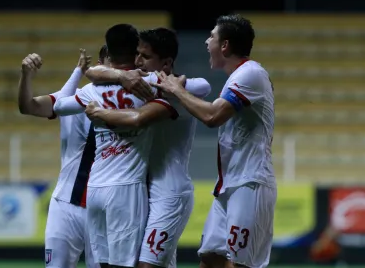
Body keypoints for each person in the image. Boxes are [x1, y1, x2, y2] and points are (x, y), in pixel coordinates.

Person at [153, 14, 277, 268]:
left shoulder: (251, 74)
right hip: (230, 185)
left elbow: (212, 116)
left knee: (241, 264)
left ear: (225, 45)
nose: (206, 41)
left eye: (211, 36)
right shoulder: (239, 76)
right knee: (210, 258)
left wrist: (177, 90)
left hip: (250, 183)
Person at [53, 24, 178, 268]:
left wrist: (107, 76)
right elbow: (196, 87)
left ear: (108, 51)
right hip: (125, 188)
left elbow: (58, 107)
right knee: (124, 263)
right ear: (136, 52)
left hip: (95, 188)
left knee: (103, 264)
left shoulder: (92, 90)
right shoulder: (150, 83)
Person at [84, 27, 210, 268]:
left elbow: (202, 85)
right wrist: (120, 76)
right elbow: (91, 72)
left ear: (167, 62)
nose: (137, 61)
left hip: (170, 192)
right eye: (137, 54)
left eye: (145, 56)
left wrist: (100, 112)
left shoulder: (176, 91)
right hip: (144, 190)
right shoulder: (142, 85)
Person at [18, 48, 100, 268]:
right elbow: (28, 106)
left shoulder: (133, 103)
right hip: (66, 205)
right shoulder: (74, 100)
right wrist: (27, 76)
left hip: (106, 208)